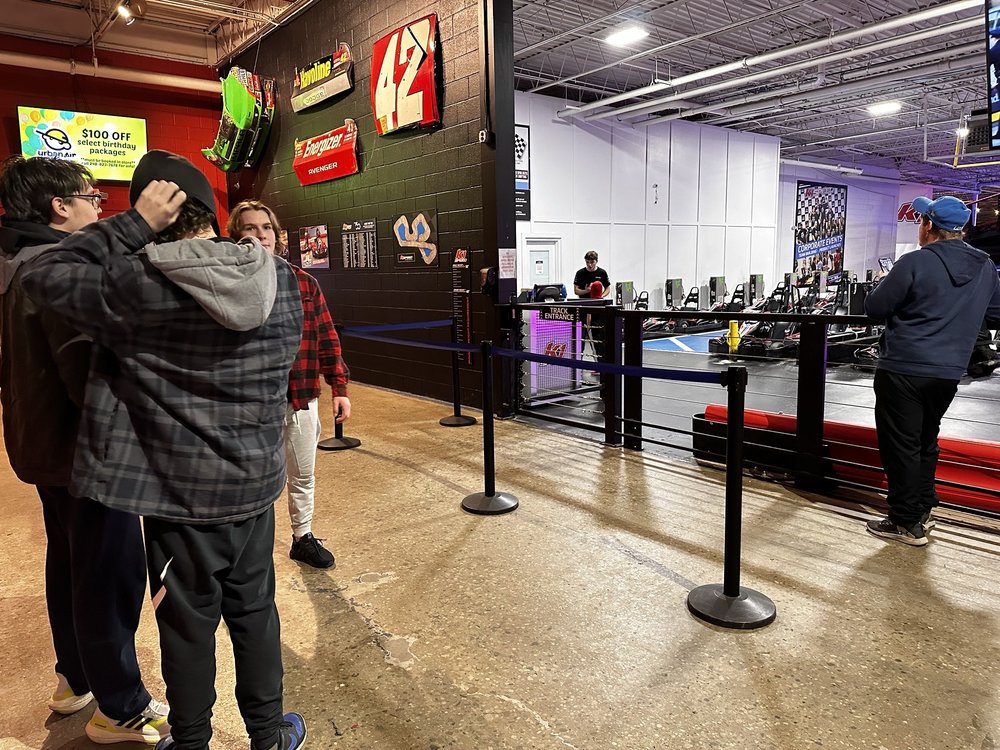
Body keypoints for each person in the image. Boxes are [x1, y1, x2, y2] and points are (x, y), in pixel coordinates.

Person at [21, 150, 308, 750]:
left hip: (181, 497)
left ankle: (192, 741)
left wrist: (131, 226)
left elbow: (43, 276)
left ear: (153, 214)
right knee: (256, 612)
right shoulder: (281, 276)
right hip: (256, 484)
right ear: (210, 213)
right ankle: (269, 734)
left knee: (186, 624)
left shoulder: (138, 283)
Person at [0, 155, 169, 745]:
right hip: (86, 453)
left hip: (40, 445)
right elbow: (88, 376)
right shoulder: (57, 267)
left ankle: (74, 678)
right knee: (109, 574)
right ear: (60, 207)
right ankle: (119, 708)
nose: (98, 207)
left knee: (70, 561)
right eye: (91, 197)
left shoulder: (13, 262)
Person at [864, 195, 1000, 546]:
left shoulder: (915, 262)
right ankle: (923, 508)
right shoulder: (985, 266)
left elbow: (875, 307)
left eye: (921, 221)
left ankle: (905, 521)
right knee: (926, 440)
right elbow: (996, 314)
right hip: (948, 371)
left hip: (904, 366)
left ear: (929, 226)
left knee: (901, 445)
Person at [228, 200, 351, 569]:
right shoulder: (227, 283)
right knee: (252, 479)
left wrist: (339, 387)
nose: (260, 235)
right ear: (236, 236)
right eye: (250, 228)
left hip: (300, 396)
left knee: (303, 474)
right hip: (251, 403)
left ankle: (303, 537)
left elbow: (327, 336)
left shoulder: (304, 283)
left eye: (266, 227)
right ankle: (249, 546)